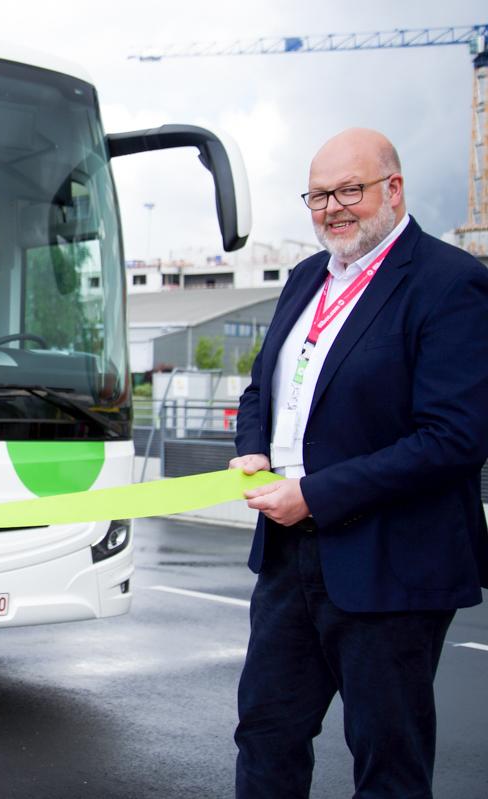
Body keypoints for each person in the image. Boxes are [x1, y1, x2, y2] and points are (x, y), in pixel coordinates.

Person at [229, 128, 488, 798]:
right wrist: (251, 444)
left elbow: (454, 437)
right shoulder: (305, 277)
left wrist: (315, 493)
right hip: (290, 556)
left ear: (393, 189)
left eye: (350, 189)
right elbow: (262, 386)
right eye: (318, 195)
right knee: (265, 732)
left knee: (387, 760)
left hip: (390, 562)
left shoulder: (451, 283)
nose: (333, 208)